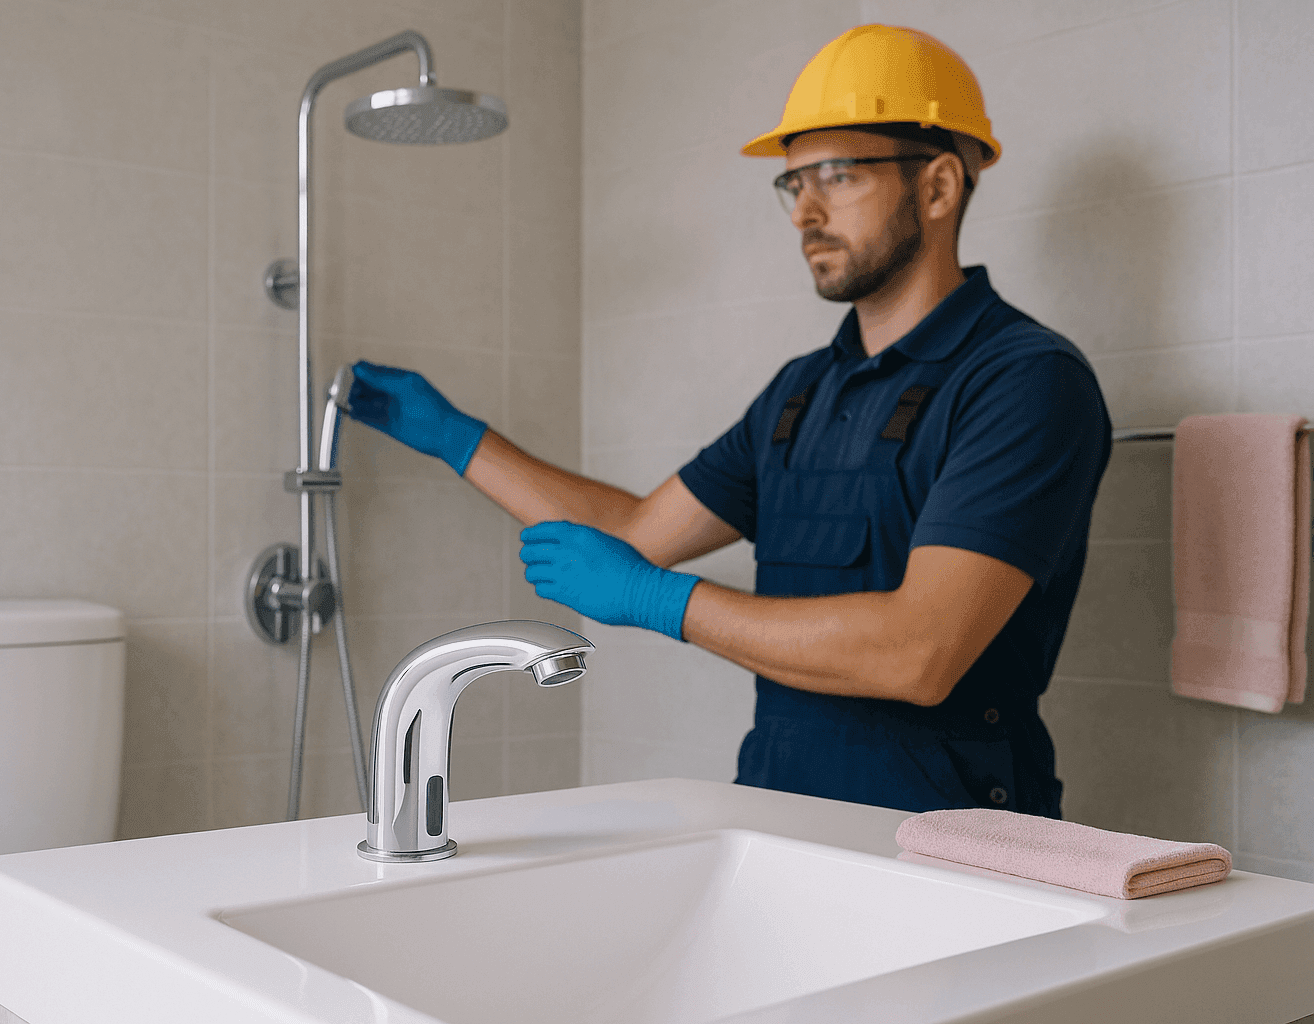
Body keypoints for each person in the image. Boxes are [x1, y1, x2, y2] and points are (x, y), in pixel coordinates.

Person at [344, 24, 1111, 819]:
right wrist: (459, 440)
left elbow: (919, 652)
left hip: (955, 851)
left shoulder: (1023, 381)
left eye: (838, 175)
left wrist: (665, 603)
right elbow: (638, 534)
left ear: (940, 186)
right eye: (794, 184)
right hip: (782, 822)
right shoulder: (801, 394)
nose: (804, 211)